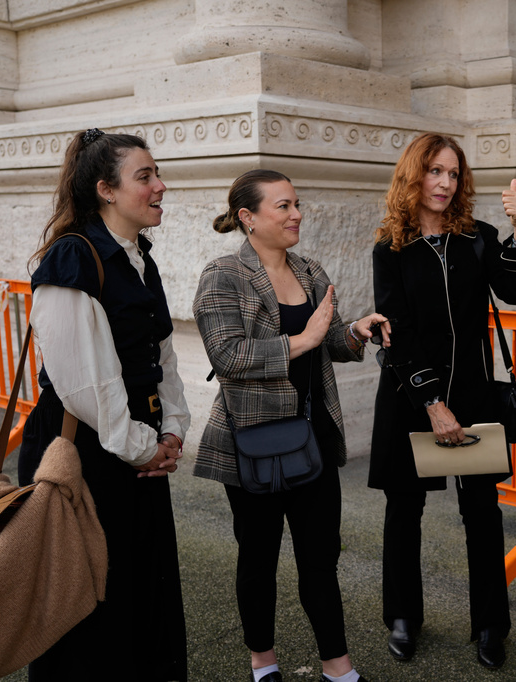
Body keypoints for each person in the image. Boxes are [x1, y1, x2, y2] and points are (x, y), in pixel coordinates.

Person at [193, 169, 384, 682]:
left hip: (311, 435)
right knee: (258, 557)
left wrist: (355, 330)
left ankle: (338, 669)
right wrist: (303, 339)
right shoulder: (223, 275)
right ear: (248, 218)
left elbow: (332, 344)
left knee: (320, 556)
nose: (296, 213)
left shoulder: (311, 271)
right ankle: (263, 664)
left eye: (297, 203)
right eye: (283, 206)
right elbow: (227, 356)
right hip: (251, 440)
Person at [18, 129, 190, 681]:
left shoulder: (140, 256)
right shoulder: (73, 259)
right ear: (105, 190)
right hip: (86, 452)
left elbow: (161, 354)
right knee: (86, 598)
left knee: (140, 590)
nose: (160, 185)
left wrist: (172, 432)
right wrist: (143, 447)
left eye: (156, 174)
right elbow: (86, 386)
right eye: (145, 176)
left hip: (137, 449)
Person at [368, 132, 516, 669]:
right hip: (410, 396)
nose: (444, 183)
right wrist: (433, 404)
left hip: (473, 393)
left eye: (453, 173)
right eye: (434, 171)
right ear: (413, 176)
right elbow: (397, 332)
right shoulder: (389, 249)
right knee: (405, 509)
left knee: (482, 511)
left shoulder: (478, 237)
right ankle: (403, 617)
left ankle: (490, 624)